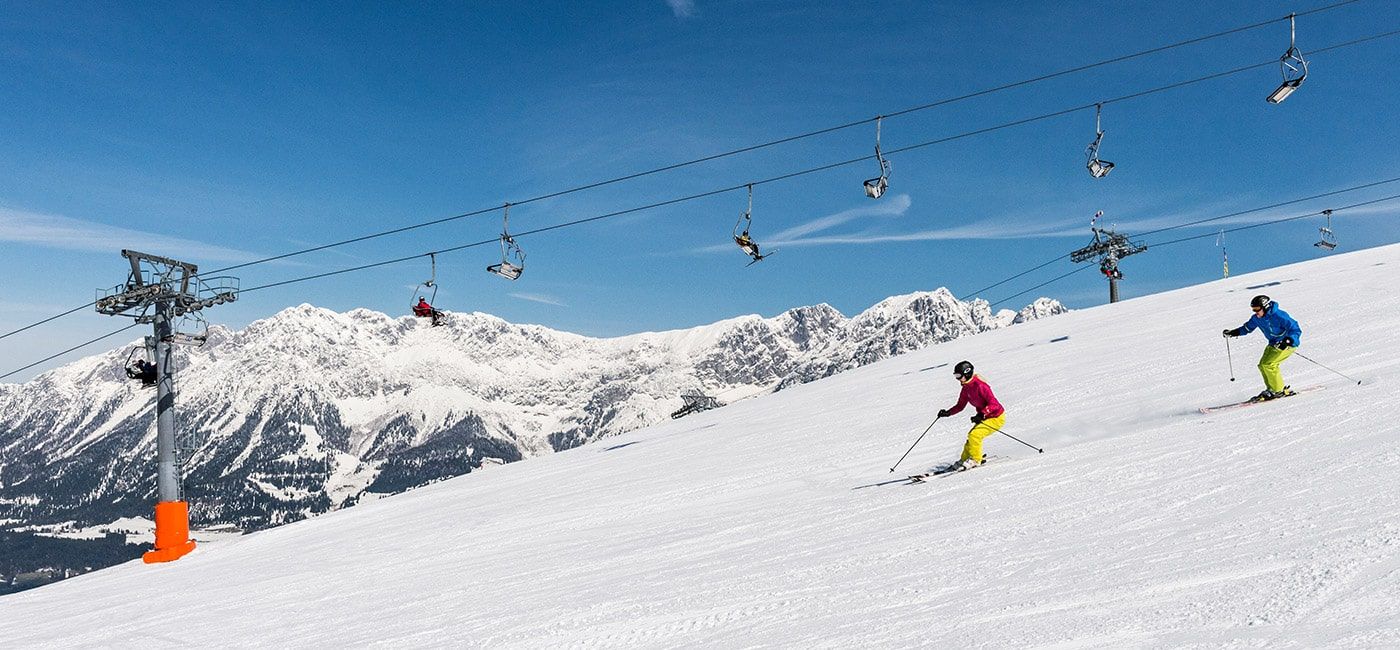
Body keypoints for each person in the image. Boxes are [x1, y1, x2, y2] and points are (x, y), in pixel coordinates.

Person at [1222, 294, 1302, 401]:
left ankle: (1277, 390)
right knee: (1262, 365)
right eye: (1253, 309)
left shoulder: (1279, 315)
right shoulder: (1256, 318)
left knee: (1269, 364)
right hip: (1273, 344)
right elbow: (1246, 328)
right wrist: (1232, 333)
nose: (1255, 312)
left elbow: (1295, 329)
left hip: (1287, 344)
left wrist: (1288, 340)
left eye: (1257, 309)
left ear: (1265, 306)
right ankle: (1271, 389)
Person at [936, 360, 1006, 471]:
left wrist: (982, 413)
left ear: (967, 373)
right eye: (955, 375)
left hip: (996, 417)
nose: (957, 379)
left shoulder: (980, 386)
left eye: (958, 375)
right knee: (971, 436)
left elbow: (994, 404)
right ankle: (964, 459)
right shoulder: (966, 388)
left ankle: (975, 459)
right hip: (985, 417)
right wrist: (948, 413)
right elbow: (960, 406)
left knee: (975, 435)